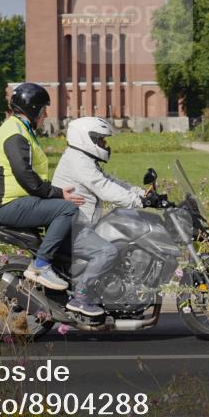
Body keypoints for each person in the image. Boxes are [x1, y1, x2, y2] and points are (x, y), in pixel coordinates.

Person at [0, 83, 84, 291]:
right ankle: (41, 266)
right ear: (33, 110)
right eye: (43, 109)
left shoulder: (20, 129)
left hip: (19, 202)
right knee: (67, 209)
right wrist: (57, 193)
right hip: (8, 206)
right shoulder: (15, 134)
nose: (46, 114)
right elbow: (26, 176)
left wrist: (56, 193)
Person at [52, 117, 146, 316]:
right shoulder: (78, 161)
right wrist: (137, 201)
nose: (105, 144)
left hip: (81, 224)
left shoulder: (82, 158)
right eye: (101, 140)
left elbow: (108, 180)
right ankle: (80, 297)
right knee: (107, 252)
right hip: (74, 228)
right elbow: (102, 187)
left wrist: (140, 193)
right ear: (87, 139)